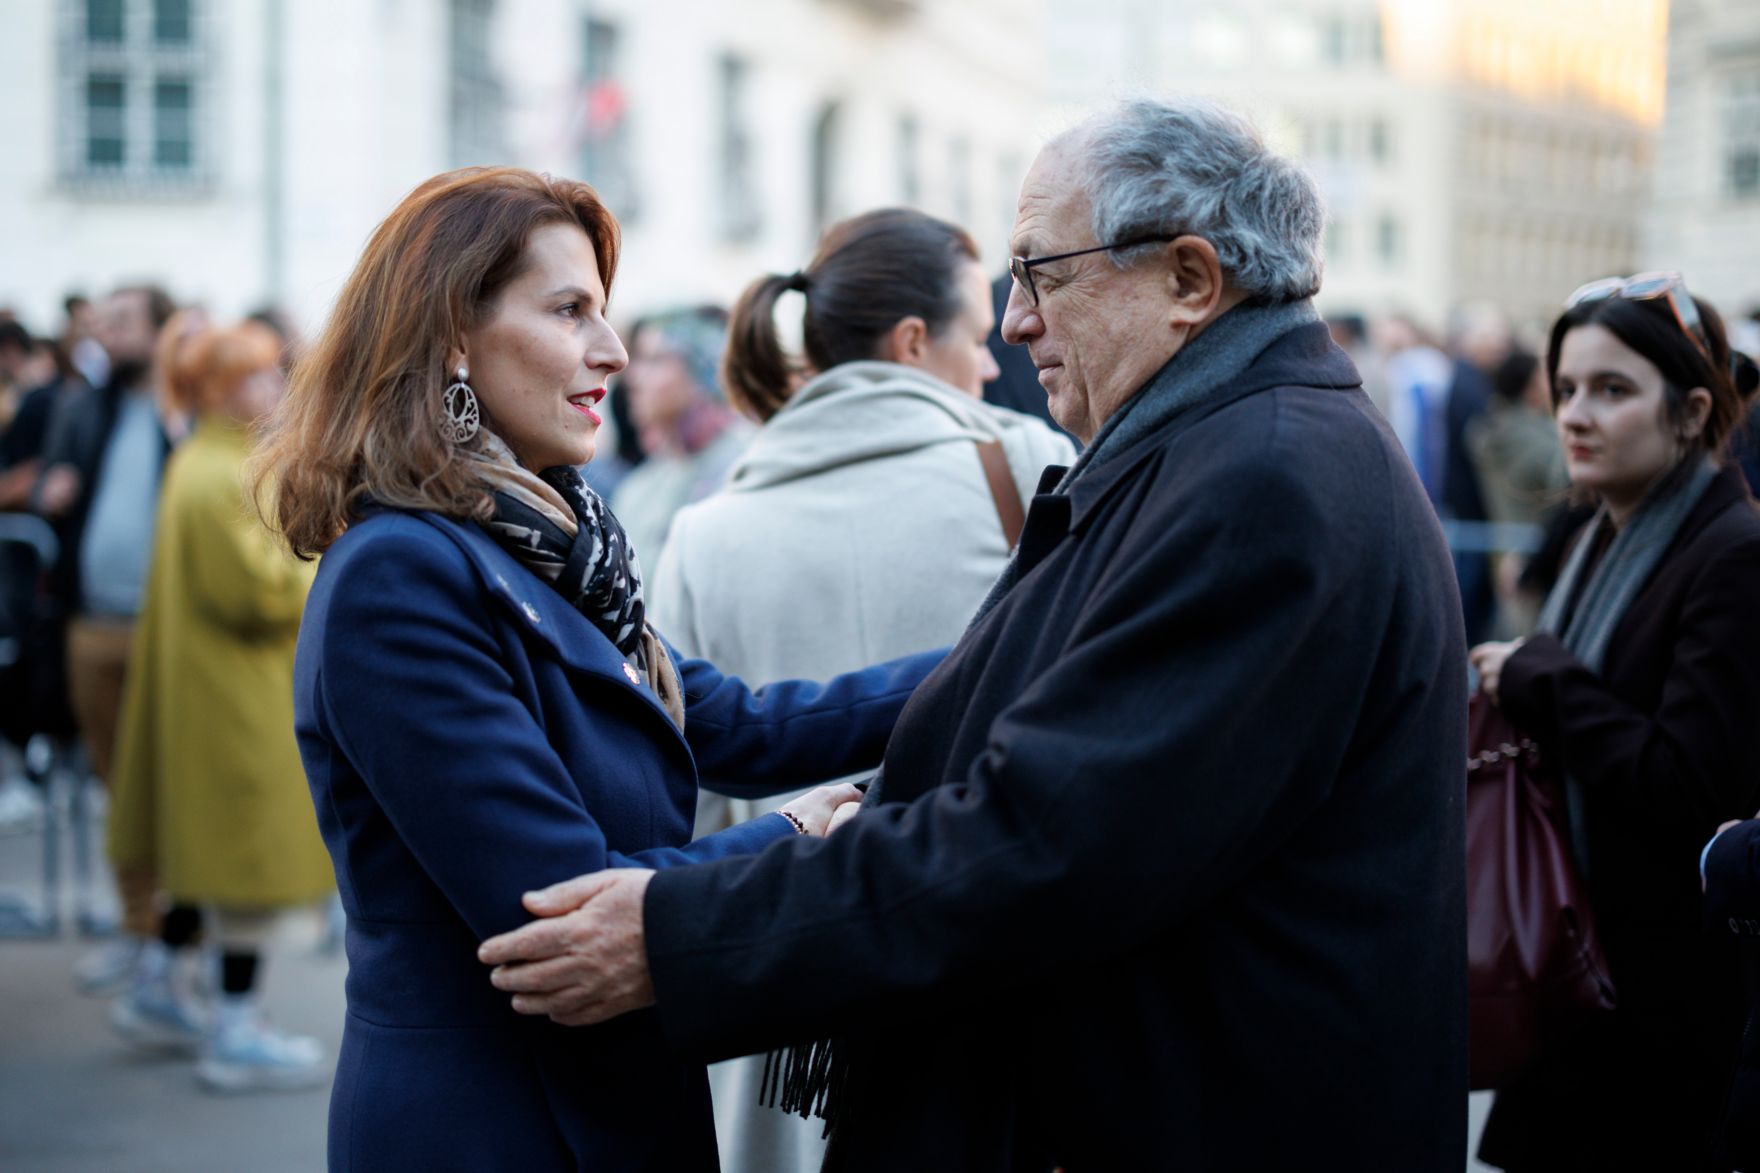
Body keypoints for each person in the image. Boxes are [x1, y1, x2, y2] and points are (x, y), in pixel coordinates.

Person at [479, 97, 1468, 1172]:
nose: (1011, 324)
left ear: (1188, 281)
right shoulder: (1218, 448)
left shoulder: (1262, 478)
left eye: (1041, 273)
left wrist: (675, 935)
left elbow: (1049, 842)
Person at [251, 165, 940, 1170]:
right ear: (449, 333)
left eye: (604, 313)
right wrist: (800, 837)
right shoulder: (400, 574)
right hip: (495, 1124)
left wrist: (1000, 657)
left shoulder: (550, 545)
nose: (613, 353)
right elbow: (560, 904)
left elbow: (740, 724)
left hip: (597, 1102)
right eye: (570, 310)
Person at [649, 207, 1074, 1173]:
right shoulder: (1030, 472)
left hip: (774, 1014)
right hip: (980, 982)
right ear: (916, 340)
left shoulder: (706, 532)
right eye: (978, 331)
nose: (996, 358)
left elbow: (695, 809)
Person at [1467, 273, 1760, 1172]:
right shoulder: (1606, 530)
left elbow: (1687, 783)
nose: (1575, 416)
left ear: (1690, 410)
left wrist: (1539, 675)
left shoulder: (1734, 555)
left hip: (1659, 1014)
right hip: (1581, 985)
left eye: (1613, 389)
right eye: (1566, 391)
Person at [100, 315, 334, 1089]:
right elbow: (259, 594)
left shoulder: (204, 461)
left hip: (218, 692)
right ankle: (236, 1024)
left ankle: (165, 985)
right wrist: (326, 561)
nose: (276, 386)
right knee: (243, 864)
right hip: (237, 698)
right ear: (224, 389)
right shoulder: (220, 474)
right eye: (263, 375)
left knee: (212, 858)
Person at [32, 285, 177, 994]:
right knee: (115, 788)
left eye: (124, 322)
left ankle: (177, 940)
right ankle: (136, 927)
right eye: (104, 323)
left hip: (167, 634)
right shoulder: (83, 405)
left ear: (159, 329)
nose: (107, 335)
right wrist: (48, 490)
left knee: (172, 790)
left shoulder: (187, 410)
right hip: (92, 622)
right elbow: (50, 487)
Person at [607, 306, 749, 563]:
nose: (633, 378)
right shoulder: (639, 490)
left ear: (704, 369)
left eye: (655, 359)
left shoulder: (746, 471)